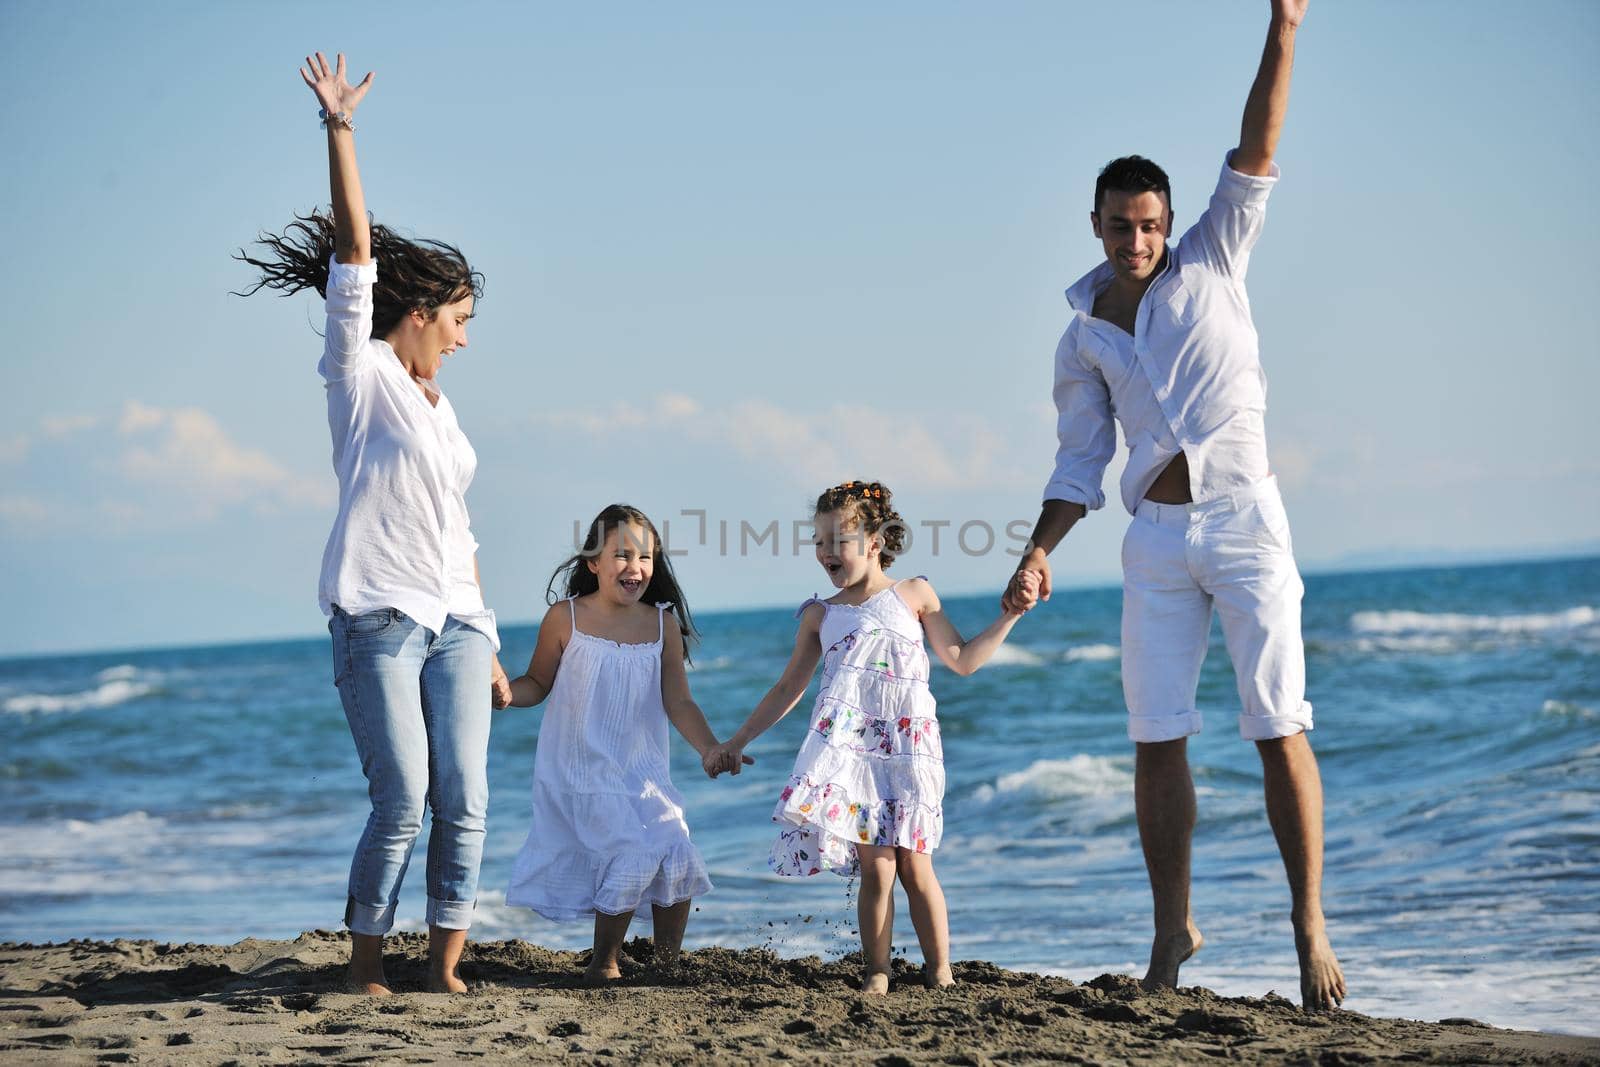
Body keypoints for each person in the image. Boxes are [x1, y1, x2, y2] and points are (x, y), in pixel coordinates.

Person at [1002, 0, 1346, 1010]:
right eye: (1122, 224)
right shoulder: (1082, 339)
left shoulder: (1216, 251)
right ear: (1096, 223)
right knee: (1155, 735)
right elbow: (1079, 461)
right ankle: (1171, 932)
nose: (1138, 239)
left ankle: (1307, 922)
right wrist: (1036, 550)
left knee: (1277, 723)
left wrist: (1283, 28)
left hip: (1244, 519)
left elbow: (1257, 141)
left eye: (1150, 223)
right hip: (1153, 540)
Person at [236, 53, 513, 995]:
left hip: (460, 622)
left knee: (466, 797)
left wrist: (487, 633)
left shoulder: (441, 408)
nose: (467, 339)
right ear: (424, 313)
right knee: (402, 797)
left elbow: (457, 526)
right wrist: (340, 128)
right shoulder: (361, 382)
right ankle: (365, 967)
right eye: (462, 319)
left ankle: (445, 966)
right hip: (378, 618)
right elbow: (354, 252)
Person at [706, 482, 1037, 994]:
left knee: (915, 864)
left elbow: (963, 660)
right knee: (877, 867)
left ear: (876, 540)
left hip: (910, 751)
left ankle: (940, 972)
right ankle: (877, 971)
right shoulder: (821, 614)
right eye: (819, 541)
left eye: (838, 539)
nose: (825, 552)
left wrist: (1012, 613)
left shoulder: (913, 595)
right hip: (855, 757)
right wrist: (738, 739)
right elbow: (788, 687)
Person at [501, 505, 735, 985]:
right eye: (622, 555)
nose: (636, 567)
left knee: (676, 846)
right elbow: (537, 683)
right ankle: (603, 961)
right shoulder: (565, 618)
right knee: (629, 850)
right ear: (593, 562)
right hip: (582, 773)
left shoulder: (661, 623)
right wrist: (505, 693)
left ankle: (665, 964)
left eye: (646, 557)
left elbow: (679, 701)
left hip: (643, 771)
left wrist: (709, 747)